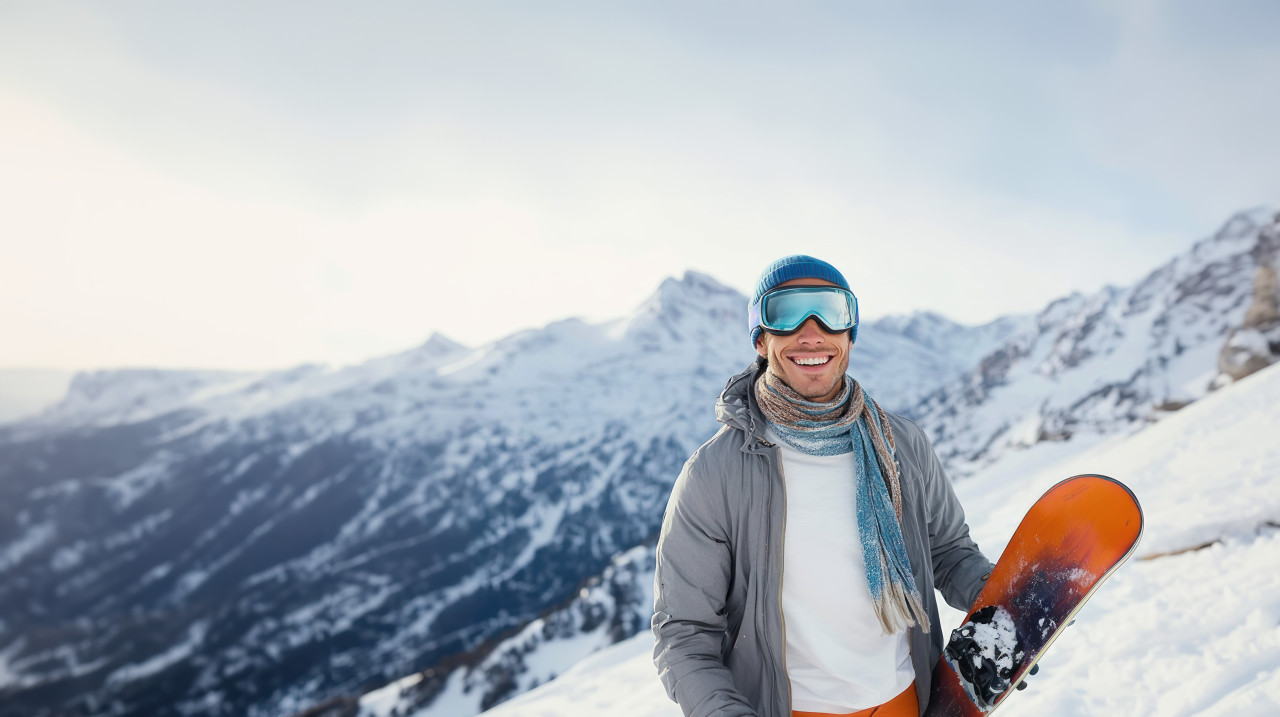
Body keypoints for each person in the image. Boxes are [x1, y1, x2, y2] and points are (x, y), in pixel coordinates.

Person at [652, 255, 995, 717]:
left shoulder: (902, 445)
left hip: (906, 700)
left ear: (850, 333)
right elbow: (684, 632)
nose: (811, 332)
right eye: (785, 313)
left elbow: (949, 553)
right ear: (761, 338)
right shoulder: (716, 473)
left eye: (831, 312)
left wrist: (1005, 608)